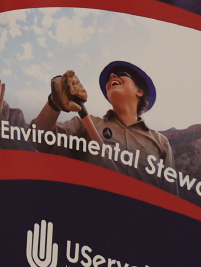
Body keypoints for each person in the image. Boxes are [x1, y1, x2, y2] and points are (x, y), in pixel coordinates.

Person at [29, 61, 177, 192]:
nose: (112, 76)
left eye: (121, 74)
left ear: (140, 91)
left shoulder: (161, 142)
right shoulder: (86, 124)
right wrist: (54, 104)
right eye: (110, 79)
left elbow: (170, 199)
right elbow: (39, 139)